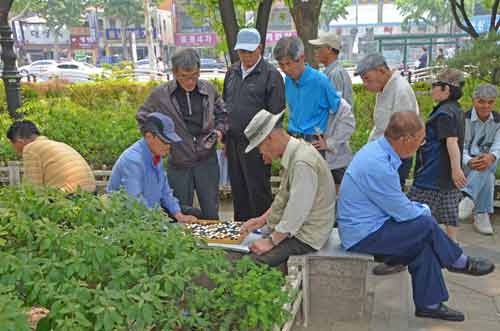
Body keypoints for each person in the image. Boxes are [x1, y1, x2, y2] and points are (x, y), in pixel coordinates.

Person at [336, 111, 495, 322]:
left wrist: (418, 208)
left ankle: (429, 304)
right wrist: (424, 210)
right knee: (424, 224)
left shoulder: (378, 151)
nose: (421, 145)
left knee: (423, 243)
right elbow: (403, 212)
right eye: (420, 141)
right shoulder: (378, 164)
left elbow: (396, 205)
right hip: (362, 235)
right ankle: (457, 261)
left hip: (371, 225)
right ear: (405, 139)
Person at [137, 48, 227, 220]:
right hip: (178, 160)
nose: (190, 81)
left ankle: (214, 246)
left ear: (199, 71)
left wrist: (219, 131)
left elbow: (223, 113)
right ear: (174, 73)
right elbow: (143, 117)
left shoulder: (208, 89)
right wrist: (159, 141)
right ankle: (186, 245)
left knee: (211, 211)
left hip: (206, 159)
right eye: (184, 76)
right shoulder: (160, 94)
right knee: (180, 211)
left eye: (194, 75)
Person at [239, 110, 336, 267]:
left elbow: (297, 210)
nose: (261, 153)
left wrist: (271, 241)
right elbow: (285, 197)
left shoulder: (302, 162)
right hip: (299, 228)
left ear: (269, 138)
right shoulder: (294, 152)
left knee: (249, 263)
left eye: (259, 147)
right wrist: (262, 220)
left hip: (307, 236)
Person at [355, 53, 419, 275]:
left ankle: (399, 256)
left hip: (396, 158)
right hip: (381, 156)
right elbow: (380, 127)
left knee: (392, 205)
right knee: (380, 206)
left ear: (382, 71)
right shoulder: (384, 89)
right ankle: (386, 250)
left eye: (367, 79)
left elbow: (404, 134)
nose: (365, 84)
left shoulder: (400, 91)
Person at [223, 28, 286, 222]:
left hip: (259, 145)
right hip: (233, 142)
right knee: (239, 190)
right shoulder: (232, 72)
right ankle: (241, 232)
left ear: (260, 48)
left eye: (250, 51)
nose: (246, 56)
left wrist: (270, 149)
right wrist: (225, 140)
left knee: (258, 191)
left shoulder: (271, 75)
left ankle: (261, 234)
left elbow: (276, 115)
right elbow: (225, 106)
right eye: (242, 52)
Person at [409, 69, 466, 243]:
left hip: (432, 173)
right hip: (445, 175)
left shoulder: (444, 114)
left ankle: (408, 249)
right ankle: (453, 249)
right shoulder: (455, 109)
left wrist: (456, 170)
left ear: (446, 89)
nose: (432, 89)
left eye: (435, 86)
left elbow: (451, 142)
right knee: (450, 212)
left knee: (414, 211)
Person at [108, 112, 197, 223]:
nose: (168, 146)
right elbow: (135, 202)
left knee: (194, 213)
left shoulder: (155, 155)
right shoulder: (133, 160)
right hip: (127, 222)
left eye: (170, 142)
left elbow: (165, 191)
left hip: (150, 218)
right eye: (165, 141)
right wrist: (162, 224)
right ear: (149, 136)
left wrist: (179, 215)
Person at [273, 36, 340, 157]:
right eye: (281, 65)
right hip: (293, 139)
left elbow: (343, 114)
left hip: (313, 142)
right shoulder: (288, 79)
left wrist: (330, 142)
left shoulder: (320, 81)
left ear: (302, 58)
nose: (285, 69)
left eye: (289, 63)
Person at [6, 120, 96, 193]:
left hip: (70, 196)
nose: (14, 149)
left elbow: (32, 190)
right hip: (90, 194)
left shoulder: (30, 148)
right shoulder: (57, 144)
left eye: (12, 144)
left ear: (19, 141)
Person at [458, 84, 499, 235]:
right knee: (488, 175)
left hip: (487, 162)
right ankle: (481, 215)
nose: (485, 106)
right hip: (466, 165)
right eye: (481, 101)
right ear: (474, 100)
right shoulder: (463, 119)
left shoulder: (498, 121)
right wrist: (469, 160)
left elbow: (498, 146)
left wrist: (491, 156)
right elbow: (460, 147)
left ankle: (468, 198)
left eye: (490, 102)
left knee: (487, 165)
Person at [312, 98, 355, 186]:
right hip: (314, 161)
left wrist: (329, 143)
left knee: (341, 191)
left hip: (337, 162)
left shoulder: (341, 105)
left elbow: (348, 126)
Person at [309, 32, 353, 106]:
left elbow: (335, 108)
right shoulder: (331, 72)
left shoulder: (335, 74)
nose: (315, 51)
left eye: (318, 47)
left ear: (329, 49)